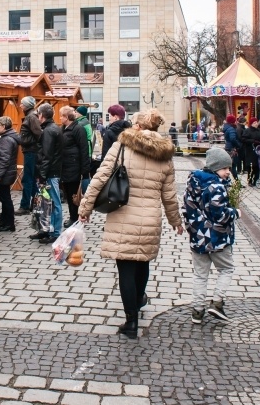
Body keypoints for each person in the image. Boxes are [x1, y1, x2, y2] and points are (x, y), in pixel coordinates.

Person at [78, 109, 183, 339]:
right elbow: (169, 196)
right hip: (150, 220)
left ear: (137, 126)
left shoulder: (121, 146)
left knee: (125, 267)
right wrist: (176, 221)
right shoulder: (165, 155)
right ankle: (138, 299)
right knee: (142, 262)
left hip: (122, 215)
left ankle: (131, 322)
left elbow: (100, 178)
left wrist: (85, 207)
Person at [183, 147, 239, 323]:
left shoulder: (193, 182)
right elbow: (220, 215)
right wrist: (235, 213)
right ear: (215, 168)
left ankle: (197, 311)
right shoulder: (216, 186)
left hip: (197, 236)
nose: (227, 172)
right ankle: (217, 303)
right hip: (217, 238)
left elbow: (186, 209)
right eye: (225, 169)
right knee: (226, 269)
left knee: (200, 275)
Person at [30, 104, 63, 244]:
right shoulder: (52, 128)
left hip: (50, 173)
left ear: (42, 116)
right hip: (50, 172)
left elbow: (47, 155)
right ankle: (46, 230)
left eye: (38, 114)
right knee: (45, 203)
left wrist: (42, 175)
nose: (37, 117)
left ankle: (55, 232)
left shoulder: (49, 131)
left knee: (54, 203)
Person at [59, 106, 90, 227]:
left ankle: (75, 218)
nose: (60, 118)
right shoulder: (63, 128)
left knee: (74, 194)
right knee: (68, 192)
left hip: (74, 166)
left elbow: (84, 150)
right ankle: (72, 216)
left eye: (61, 115)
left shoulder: (78, 129)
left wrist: (85, 170)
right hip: (65, 166)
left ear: (66, 117)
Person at [0, 116, 21, 232]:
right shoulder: (9, 137)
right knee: (4, 198)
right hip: (7, 173)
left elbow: (5, 159)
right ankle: (3, 220)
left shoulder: (7, 139)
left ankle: (9, 223)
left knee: (5, 198)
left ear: (3, 126)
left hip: (5, 174)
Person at [16, 96, 42, 216]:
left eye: (22, 104)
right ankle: (36, 204)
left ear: (26, 105)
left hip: (31, 151)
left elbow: (39, 134)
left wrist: (26, 140)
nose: (20, 105)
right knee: (30, 178)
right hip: (30, 151)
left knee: (28, 179)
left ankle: (25, 206)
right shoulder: (31, 115)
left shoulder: (31, 116)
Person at [241, 117, 260, 186]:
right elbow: (243, 139)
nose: (256, 124)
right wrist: (253, 141)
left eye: (256, 122)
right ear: (251, 124)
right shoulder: (247, 131)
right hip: (250, 150)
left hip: (258, 150)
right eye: (254, 123)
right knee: (251, 166)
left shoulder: (259, 130)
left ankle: (256, 180)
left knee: (257, 166)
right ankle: (250, 180)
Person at [74, 106, 94, 189]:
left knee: (85, 173)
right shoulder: (85, 121)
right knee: (86, 172)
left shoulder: (81, 123)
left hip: (85, 150)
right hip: (88, 149)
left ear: (80, 113)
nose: (75, 113)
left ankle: (85, 191)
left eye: (76, 112)